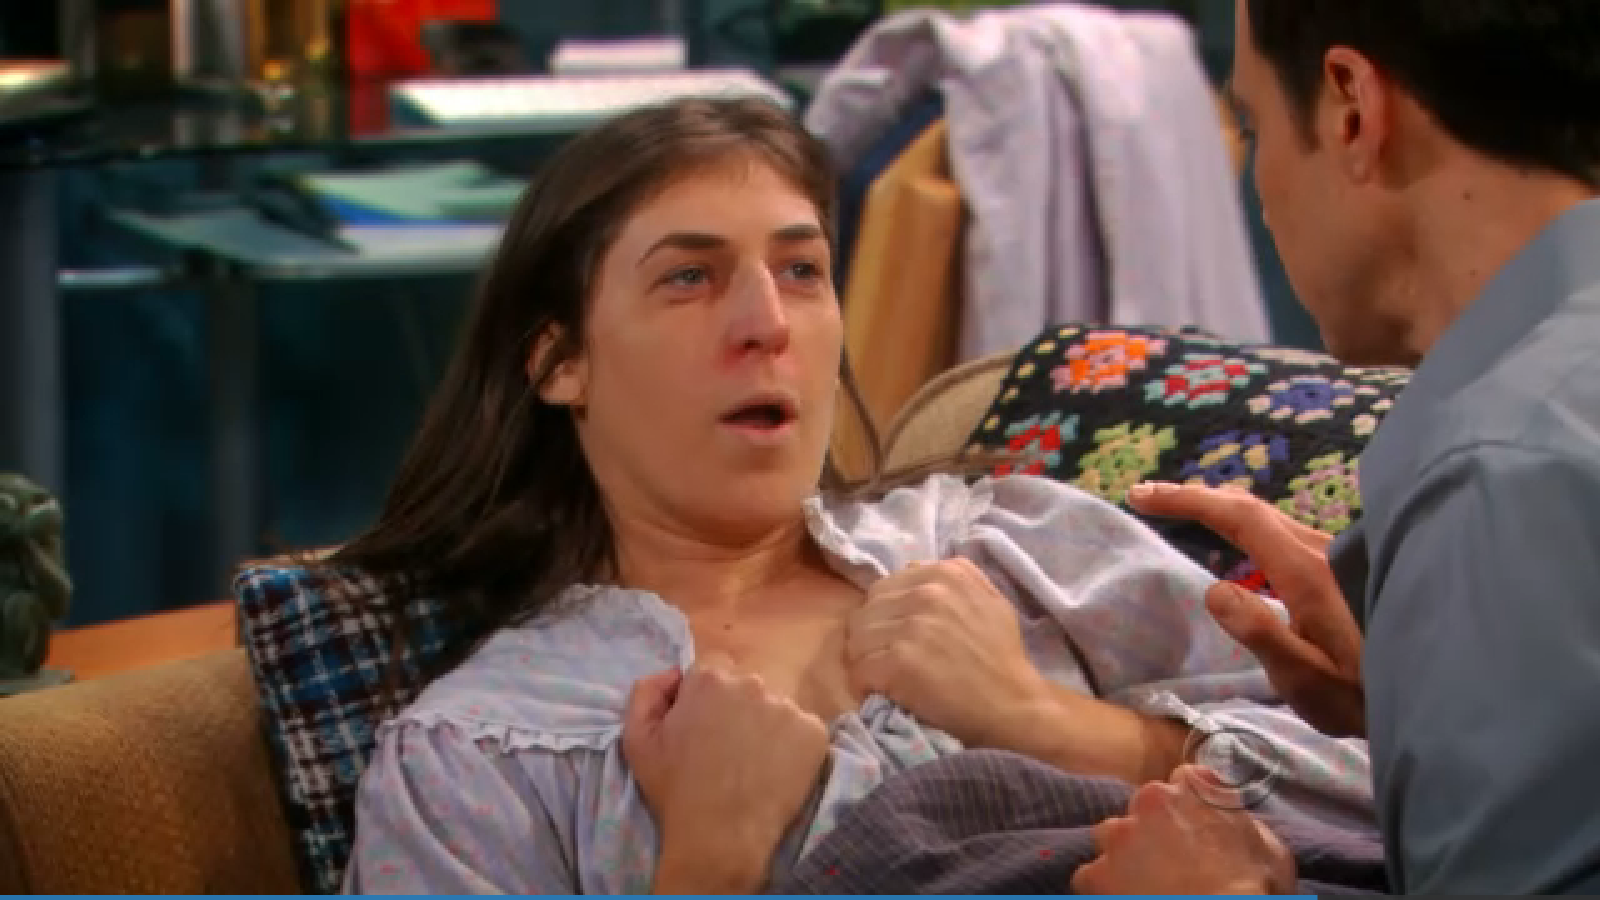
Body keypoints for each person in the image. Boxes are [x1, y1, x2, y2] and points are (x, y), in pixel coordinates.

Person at [335, 96, 1371, 894]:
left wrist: (1042, 720)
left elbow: (1408, 786)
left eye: (800, 270)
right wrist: (710, 860)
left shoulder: (1009, 546)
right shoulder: (477, 757)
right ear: (561, 362)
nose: (767, 324)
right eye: (689, 278)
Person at [1074, 0, 1600, 894]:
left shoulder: (1501, 476)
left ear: (1353, 108)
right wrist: (1413, 692)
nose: (1261, 186)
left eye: (1254, 125)